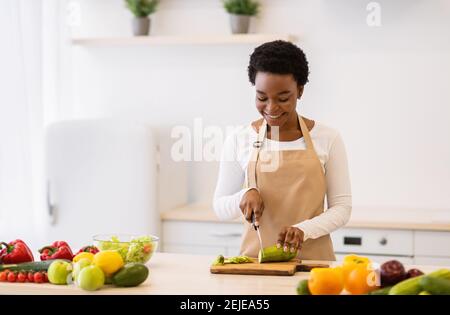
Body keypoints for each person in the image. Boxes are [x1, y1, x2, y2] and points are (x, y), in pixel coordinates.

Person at [213, 40, 352, 260]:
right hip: (255, 266)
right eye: (261, 98)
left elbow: (342, 209)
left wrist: (304, 230)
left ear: (300, 90)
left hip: (314, 266)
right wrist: (244, 195)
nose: (271, 108)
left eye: (283, 98)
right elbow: (219, 206)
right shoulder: (239, 139)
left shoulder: (328, 138)